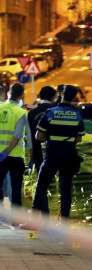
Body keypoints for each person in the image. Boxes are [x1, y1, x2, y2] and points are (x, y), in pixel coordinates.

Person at [30, 85, 85, 220]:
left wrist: (50, 138)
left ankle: (34, 220)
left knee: (42, 185)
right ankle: (64, 221)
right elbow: (79, 138)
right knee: (65, 187)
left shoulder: (51, 112)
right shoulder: (77, 115)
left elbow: (38, 136)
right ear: (73, 97)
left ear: (62, 94)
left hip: (52, 154)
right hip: (69, 155)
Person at [0, 83, 33, 212]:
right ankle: (16, 217)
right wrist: (32, 157)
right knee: (16, 187)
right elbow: (20, 135)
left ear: (8, 93)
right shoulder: (22, 113)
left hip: (0, 157)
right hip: (15, 157)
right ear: (21, 96)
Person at [28, 86, 56, 173]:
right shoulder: (56, 111)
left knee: (40, 178)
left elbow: (29, 134)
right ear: (52, 97)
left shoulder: (32, 113)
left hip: (37, 150)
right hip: (54, 150)